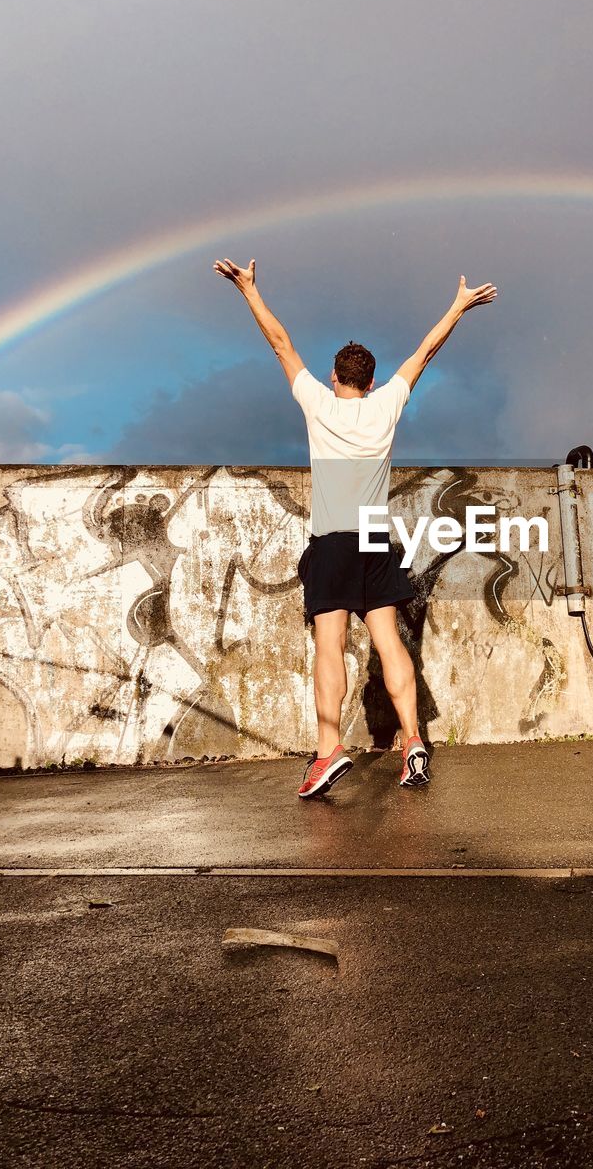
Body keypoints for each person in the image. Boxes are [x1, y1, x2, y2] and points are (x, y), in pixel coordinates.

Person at [213, 256, 498, 797]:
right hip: (374, 536)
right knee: (389, 641)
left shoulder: (318, 403)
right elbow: (424, 353)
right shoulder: (387, 404)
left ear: (335, 377)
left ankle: (327, 754)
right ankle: (413, 741)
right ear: (369, 381)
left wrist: (248, 290)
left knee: (330, 644)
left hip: (334, 540)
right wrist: (458, 306)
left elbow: (280, 342)